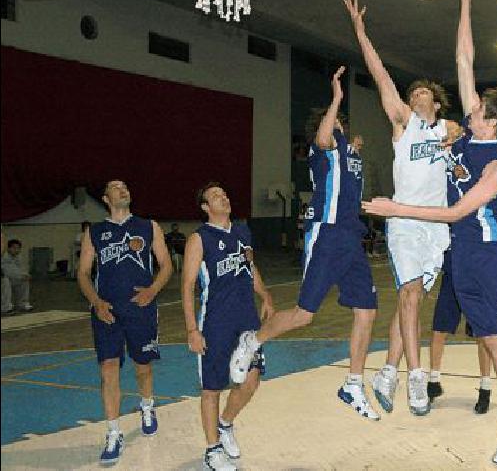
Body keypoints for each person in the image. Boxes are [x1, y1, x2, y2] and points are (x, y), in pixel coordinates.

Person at [363, 0, 497, 467]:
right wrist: (465, 4)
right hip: (460, 255)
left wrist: (395, 208)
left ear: (492, 120)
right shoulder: (468, 134)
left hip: (489, 254)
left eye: (479, 106)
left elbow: (457, 210)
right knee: (489, 338)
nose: (471, 105)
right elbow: (464, 58)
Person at [228, 67, 381, 421]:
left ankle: (353, 383)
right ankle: (254, 340)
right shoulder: (321, 151)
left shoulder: (349, 154)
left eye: (341, 120)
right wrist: (337, 98)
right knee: (304, 315)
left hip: (351, 237)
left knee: (367, 310)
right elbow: (326, 138)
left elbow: (349, 168)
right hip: (326, 235)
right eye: (336, 120)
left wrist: (354, 150)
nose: (340, 124)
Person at [344, 0, 461, 417]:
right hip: (404, 222)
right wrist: (361, 32)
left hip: (438, 227)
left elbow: (462, 127)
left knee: (413, 303)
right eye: (412, 92)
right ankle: (415, 375)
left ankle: (388, 370)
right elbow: (379, 75)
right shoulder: (404, 124)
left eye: (423, 92)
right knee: (409, 297)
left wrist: (455, 130)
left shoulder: (447, 129)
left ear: (435, 101)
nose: (416, 95)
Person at [77, 180, 173, 465]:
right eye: (116, 187)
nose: (123, 189)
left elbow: (166, 264)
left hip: (140, 308)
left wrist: (153, 290)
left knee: (142, 367)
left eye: (126, 186)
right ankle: (113, 432)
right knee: (108, 368)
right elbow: (83, 273)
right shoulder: (94, 232)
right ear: (106, 199)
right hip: (106, 309)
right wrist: (96, 302)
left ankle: (147, 404)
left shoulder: (148, 226)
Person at [182, 181, 275, 471]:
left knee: (252, 378)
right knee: (212, 388)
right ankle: (212, 450)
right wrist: (191, 331)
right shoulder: (199, 239)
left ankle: (225, 423)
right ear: (205, 207)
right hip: (215, 322)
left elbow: (250, 267)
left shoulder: (243, 230)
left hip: (247, 318)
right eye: (215, 196)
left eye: (224, 193)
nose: (223, 197)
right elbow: (186, 287)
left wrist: (266, 295)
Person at [427, 249, 496, 414]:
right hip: (451, 278)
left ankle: (485, 389)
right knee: (439, 330)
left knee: (482, 335)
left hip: (476, 280)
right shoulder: (446, 225)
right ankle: (433, 383)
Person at [1, 238, 33, 312]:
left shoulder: (18, 257)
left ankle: (23, 304)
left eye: (18, 248)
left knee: (24, 281)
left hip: (12, 278)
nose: (16, 250)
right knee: (5, 281)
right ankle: (5, 307)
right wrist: (20, 275)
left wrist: (25, 275)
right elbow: (6, 271)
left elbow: (21, 269)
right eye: (14, 248)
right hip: (4, 279)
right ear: (8, 248)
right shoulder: (3, 257)